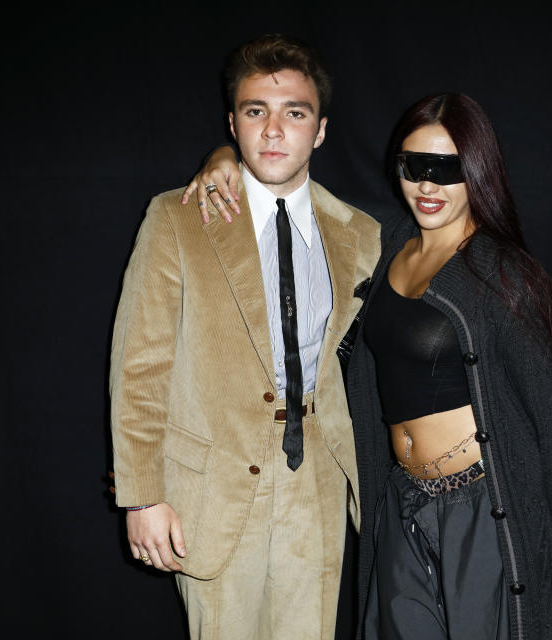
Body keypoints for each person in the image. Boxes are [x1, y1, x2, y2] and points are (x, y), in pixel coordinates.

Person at [187, 93, 552, 639]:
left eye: (446, 168)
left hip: (482, 510)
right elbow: (296, 192)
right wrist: (224, 156)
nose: (427, 185)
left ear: (478, 170)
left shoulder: (502, 276)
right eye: (413, 167)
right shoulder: (384, 242)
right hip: (402, 503)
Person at [109, 34, 380, 640]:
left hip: (319, 477)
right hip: (215, 483)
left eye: (295, 113)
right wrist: (140, 496)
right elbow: (140, 366)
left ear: (322, 129)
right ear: (233, 123)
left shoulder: (361, 235)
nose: (275, 130)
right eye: (257, 111)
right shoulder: (178, 219)